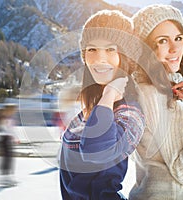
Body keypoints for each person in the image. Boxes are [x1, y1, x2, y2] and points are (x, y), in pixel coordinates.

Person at [128, 4, 183, 200]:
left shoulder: (162, 85)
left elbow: (171, 163)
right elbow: (182, 172)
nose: (175, 48)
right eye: (163, 41)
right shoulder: (151, 93)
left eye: (178, 38)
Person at [59, 10, 145, 199]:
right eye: (92, 49)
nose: (99, 58)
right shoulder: (88, 112)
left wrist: (109, 95)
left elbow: (96, 152)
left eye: (110, 49)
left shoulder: (130, 113)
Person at [0, 104, 19, 187]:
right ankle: (4, 178)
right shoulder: (4, 118)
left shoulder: (8, 117)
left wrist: (15, 137)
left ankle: (7, 177)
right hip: (4, 139)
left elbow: (11, 129)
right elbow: (6, 129)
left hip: (7, 139)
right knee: (6, 158)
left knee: (9, 158)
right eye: (13, 110)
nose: (14, 111)